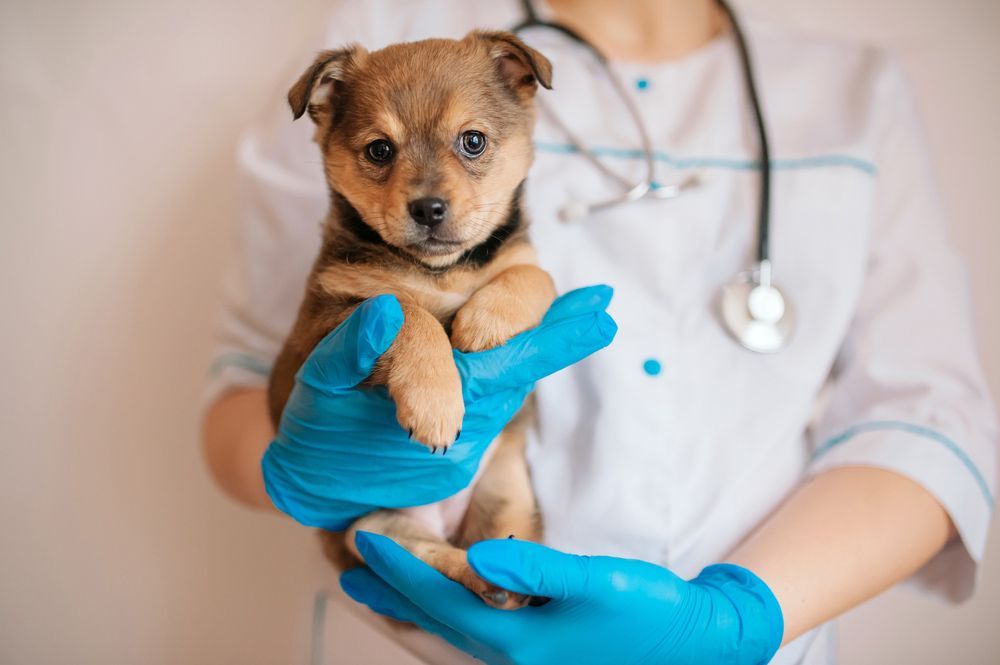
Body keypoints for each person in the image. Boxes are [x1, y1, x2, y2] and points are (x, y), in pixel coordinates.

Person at [201, 0, 998, 662]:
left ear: (520, 97)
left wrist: (740, 617)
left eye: (471, 144)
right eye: (380, 153)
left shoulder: (855, 90)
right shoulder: (388, 32)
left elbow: (927, 420)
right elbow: (238, 386)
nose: (429, 190)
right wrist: (296, 460)